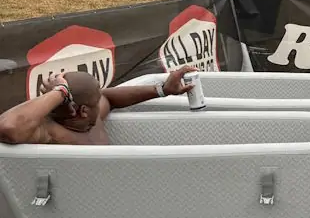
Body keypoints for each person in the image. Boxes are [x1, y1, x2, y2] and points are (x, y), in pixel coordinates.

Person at [0, 67, 193, 146]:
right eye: (96, 100)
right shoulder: (48, 131)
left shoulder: (89, 118)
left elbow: (109, 97)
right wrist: (59, 92)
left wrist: (161, 90)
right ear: (83, 111)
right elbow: (7, 127)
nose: (101, 101)